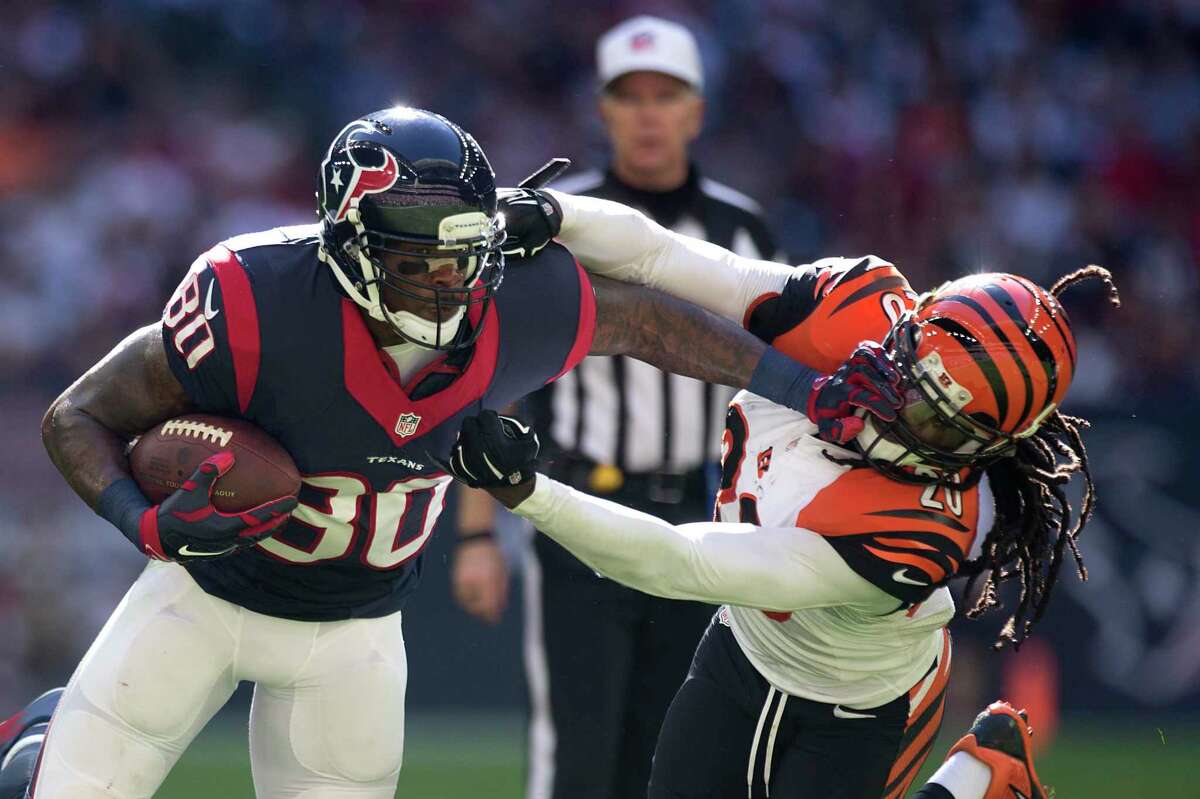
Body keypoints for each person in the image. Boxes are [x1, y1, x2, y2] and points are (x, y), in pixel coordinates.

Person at [9, 108, 889, 799]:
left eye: (464, 250)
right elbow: (77, 413)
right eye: (414, 254)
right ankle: (38, 748)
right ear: (346, 241)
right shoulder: (252, 299)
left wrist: (807, 388)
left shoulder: (520, 307)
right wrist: (149, 524)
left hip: (354, 636)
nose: (446, 278)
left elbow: (649, 320)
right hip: (202, 599)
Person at [467, 188, 1121, 797]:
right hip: (743, 652)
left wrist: (527, 491)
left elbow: (676, 560)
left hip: (857, 706)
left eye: (933, 417)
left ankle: (977, 780)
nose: (904, 405)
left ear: (980, 448)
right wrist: (555, 213)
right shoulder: (855, 305)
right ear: (911, 322)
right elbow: (665, 256)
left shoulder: (918, 529)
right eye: (915, 373)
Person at [451, 17, 778, 799]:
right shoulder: (553, 223)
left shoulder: (741, 230)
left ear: (696, 110)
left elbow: (768, 386)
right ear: (604, 110)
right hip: (581, 509)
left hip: (701, 520)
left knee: (673, 754)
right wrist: (475, 534)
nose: (648, 112)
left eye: (665, 94)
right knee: (578, 758)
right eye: (629, 96)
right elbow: (491, 377)